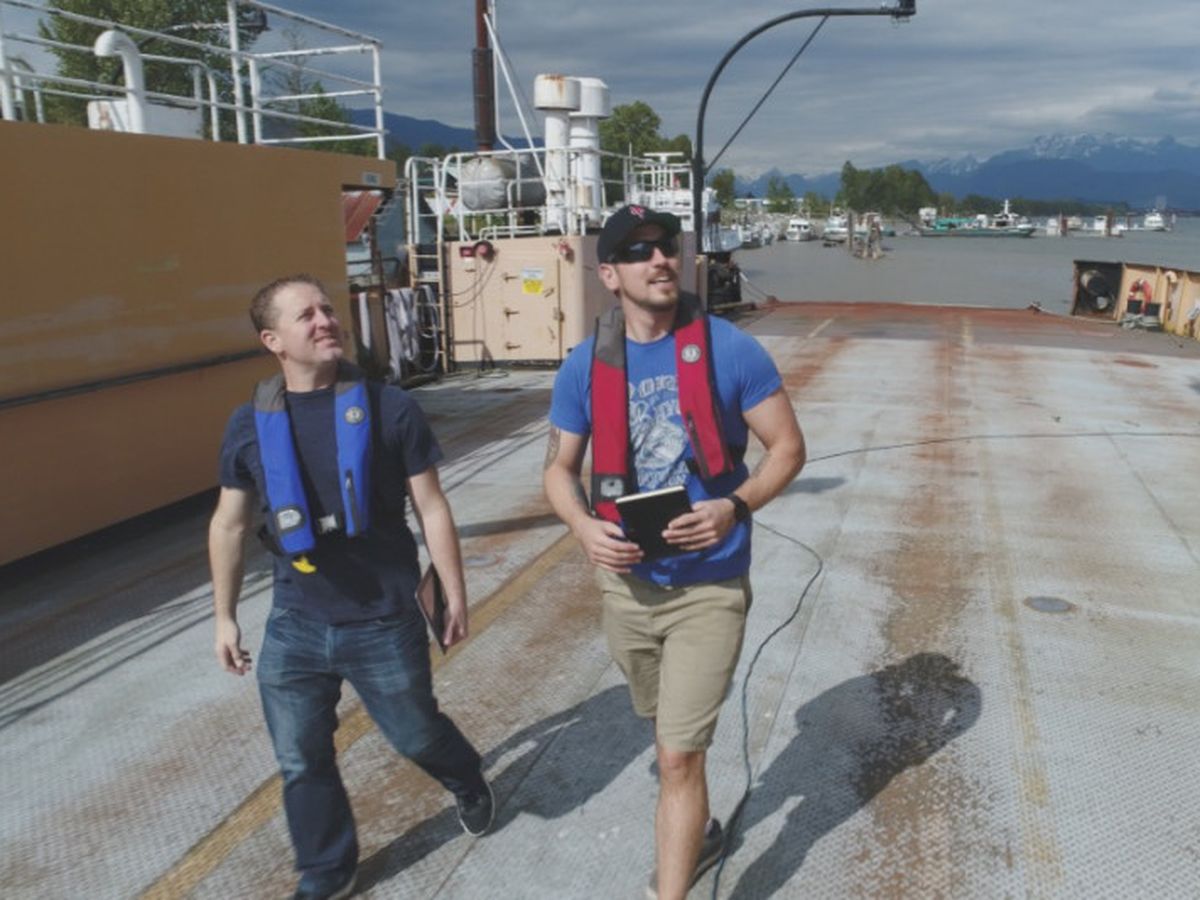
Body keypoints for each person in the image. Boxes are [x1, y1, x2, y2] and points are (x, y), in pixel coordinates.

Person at [542, 206, 805, 900]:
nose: (659, 259)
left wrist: (734, 506)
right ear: (609, 275)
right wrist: (582, 526)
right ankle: (704, 830)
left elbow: (787, 448)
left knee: (677, 757)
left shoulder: (731, 350)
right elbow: (558, 470)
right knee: (667, 738)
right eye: (638, 252)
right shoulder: (582, 367)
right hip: (626, 589)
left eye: (666, 247)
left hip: (708, 588)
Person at [209, 274, 493, 900]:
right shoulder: (249, 424)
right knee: (300, 757)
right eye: (306, 315)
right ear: (272, 341)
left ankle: (467, 776)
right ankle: (326, 871)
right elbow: (229, 524)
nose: (326, 321)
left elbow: (432, 506)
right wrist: (224, 616)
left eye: (327, 309)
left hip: (383, 618)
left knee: (415, 734)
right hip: (295, 622)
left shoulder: (390, 407)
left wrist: (453, 592)